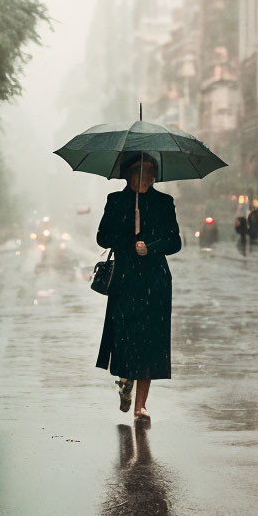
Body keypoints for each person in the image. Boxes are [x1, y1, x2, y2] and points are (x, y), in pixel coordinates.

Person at [96, 153, 182, 421]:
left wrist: (151, 247)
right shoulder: (116, 201)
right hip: (124, 280)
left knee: (150, 344)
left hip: (155, 282)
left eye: (149, 175)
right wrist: (126, 236)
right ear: (128, 176)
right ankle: (125, 382)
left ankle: (140, 406)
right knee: (125, 337)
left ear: (155, 177)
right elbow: (102, 237)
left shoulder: (164, 203)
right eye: (138, 175)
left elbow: (175, 241)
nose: (144, 180)